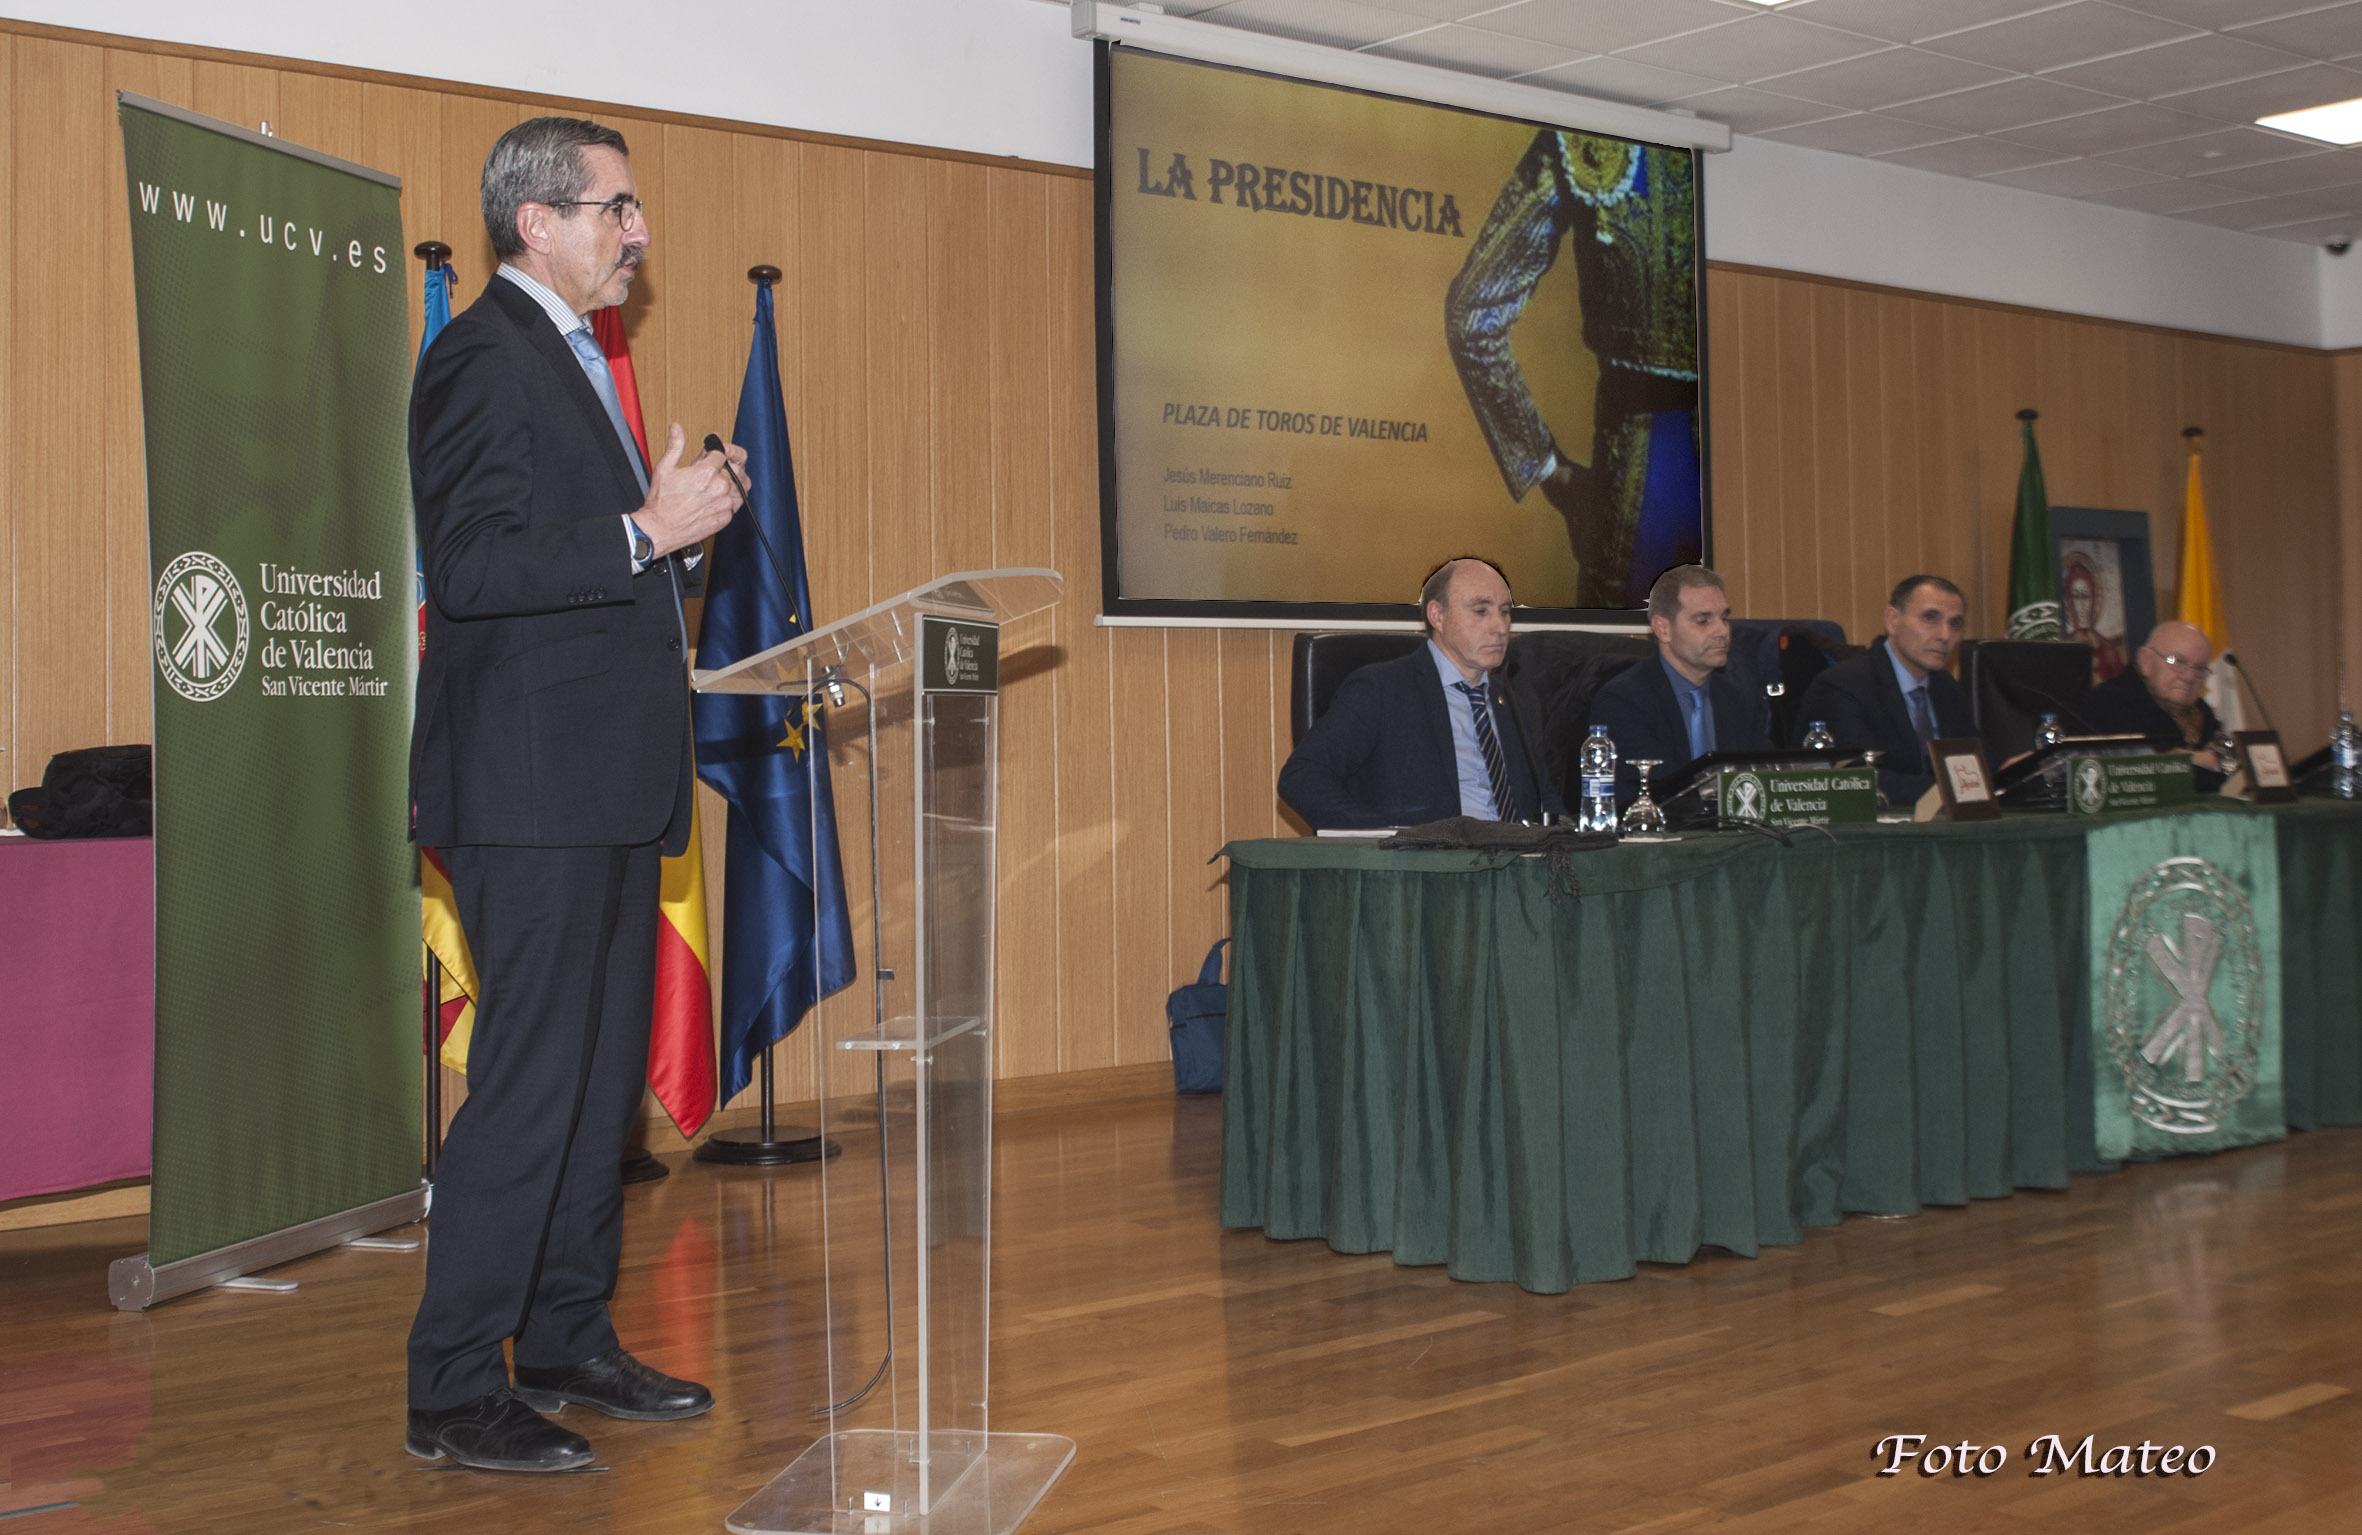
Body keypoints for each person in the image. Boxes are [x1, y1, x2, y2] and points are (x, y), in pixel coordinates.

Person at [405, 117, 747, 1474]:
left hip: (604, 784)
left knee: (599, 1088)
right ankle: (450, 1385)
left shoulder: (576, 358)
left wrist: (675, 540)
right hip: (529, 789)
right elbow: (471, 566)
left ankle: (561, 1336)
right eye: (616, 207)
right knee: (530, 1088)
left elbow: (590, 574)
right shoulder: (479, 354)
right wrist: (643, 529)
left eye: (635, 207)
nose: (639, 231)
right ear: (535, 222)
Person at [1446, 131, 1701, 608]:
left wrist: (1552, 472)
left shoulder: (1583, 136)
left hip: (1638, 493)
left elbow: (1472, 317)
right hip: (1753, 486)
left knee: (1619, 649)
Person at [1278, 557, 1563, 830]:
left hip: (1517, 858)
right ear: (1438, 616)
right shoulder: (1381, 690)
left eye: (1505, 612)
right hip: (1431, 859)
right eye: (1481, 611)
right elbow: (1303, 777)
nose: (1500, 627)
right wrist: (1380, 837)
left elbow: (1546, 804)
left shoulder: (1513, 700)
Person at [1585, 564, 1769, 801]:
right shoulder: (1624, 701)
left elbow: (1766, 779)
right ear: (1663, 629)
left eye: (1724, 618)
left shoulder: (1740, 698)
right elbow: (1657, 794)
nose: (1722, 631)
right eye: (1703, 621)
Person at [1796, 574, 1977, 806]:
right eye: (1930, 618)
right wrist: (1956, 790)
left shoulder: (1946, 687)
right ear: (1893, 621)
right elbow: (1856, 779)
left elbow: (1975, 763)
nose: (1945, 635)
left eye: (1955, 624)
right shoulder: (1843, 685)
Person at [2083, 619, 2226, 779]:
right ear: (2146, 661)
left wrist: (2188, 758)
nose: (2190, 676)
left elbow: (2226, 764)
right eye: (2177, 661)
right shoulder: (2109, 701)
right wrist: (2202, 760)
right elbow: (2142, 768)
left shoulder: (2200, 710)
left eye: (2199, 668)